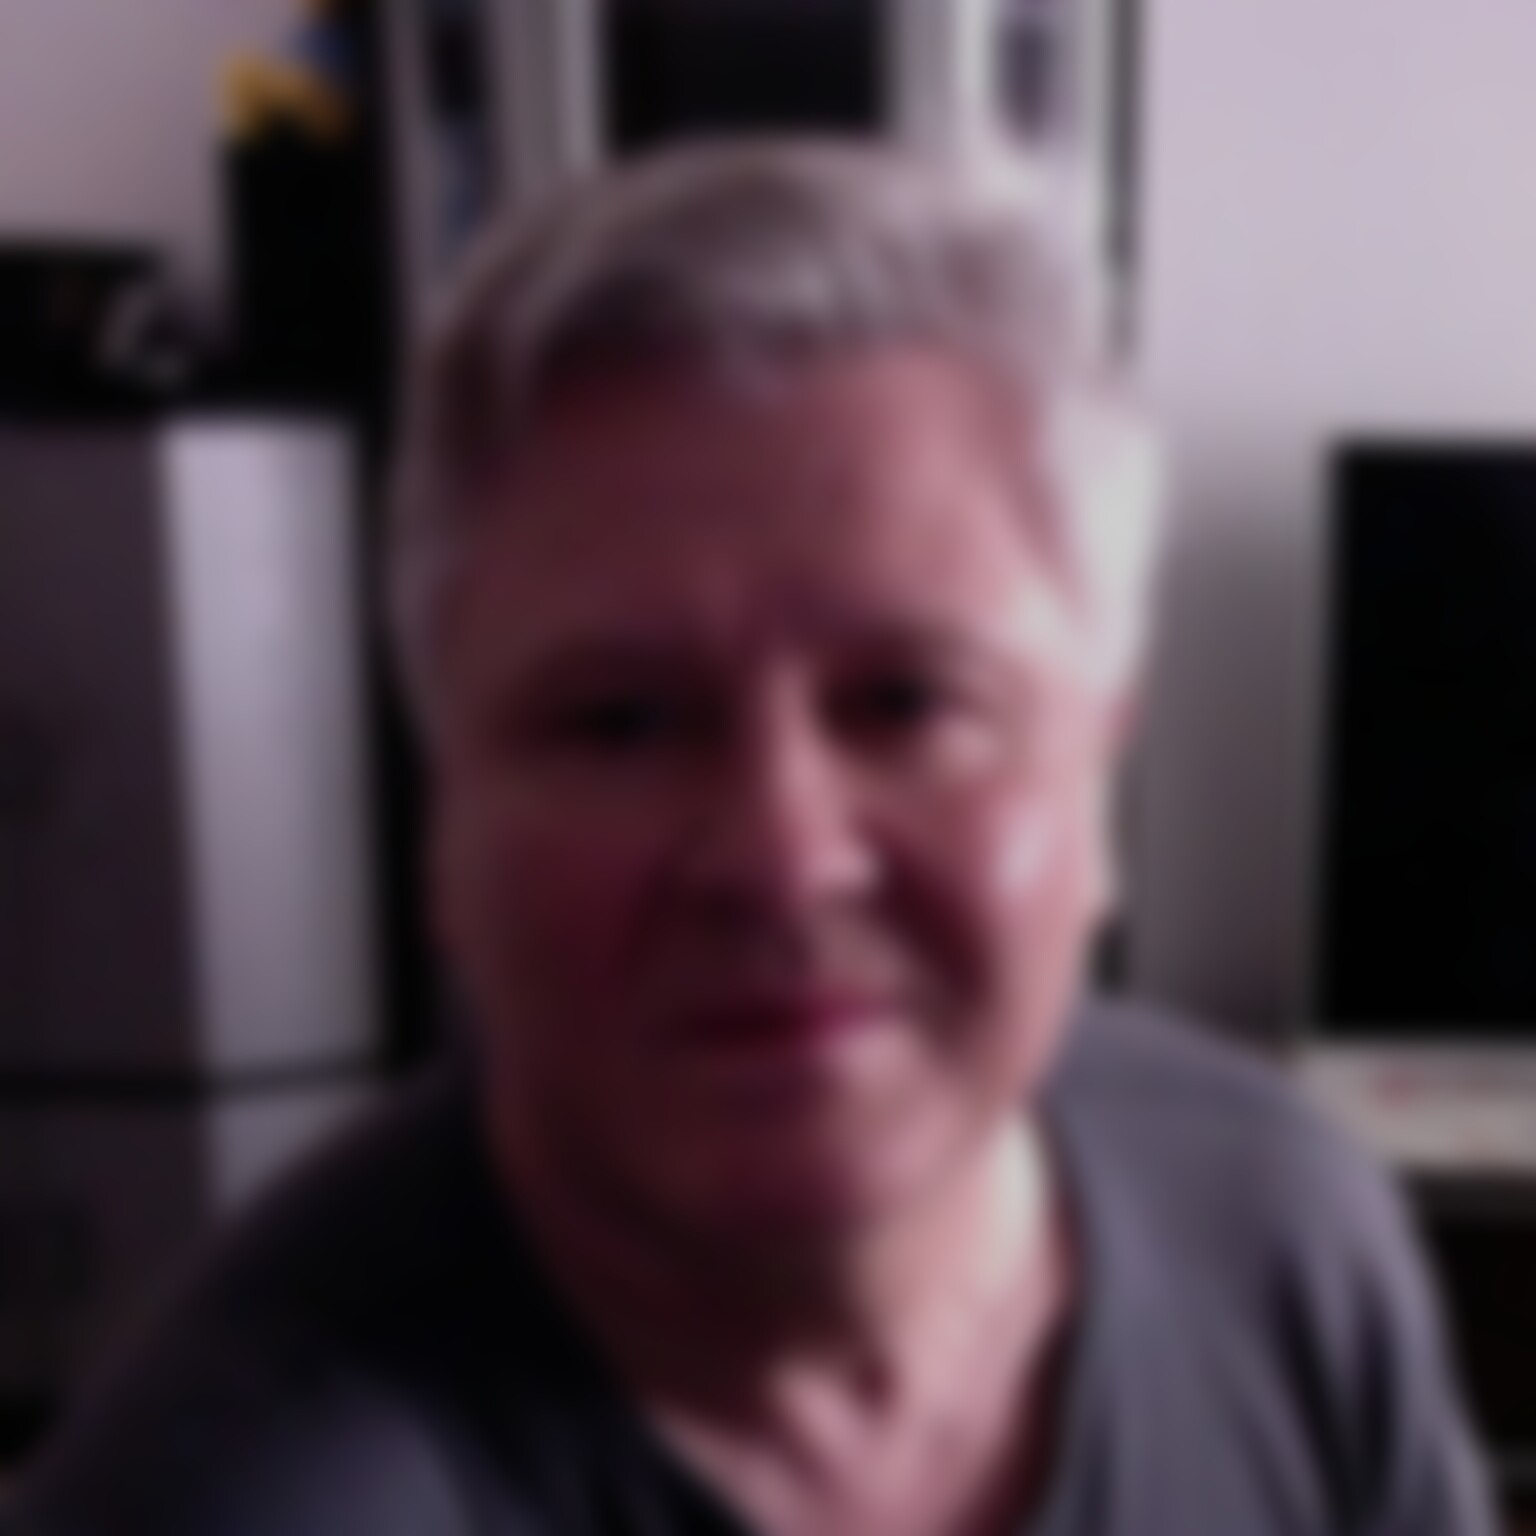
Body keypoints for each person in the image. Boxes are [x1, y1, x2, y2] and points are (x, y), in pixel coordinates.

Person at [7, 140, 1494, 1536]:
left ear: (1103, 765)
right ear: (445, 825)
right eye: (621, 723)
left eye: (908, 702)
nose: (784, 860)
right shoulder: (243, 1494)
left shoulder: (1284, 1229)